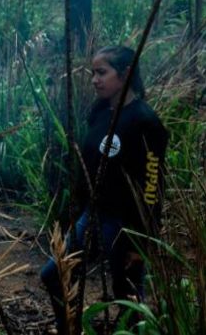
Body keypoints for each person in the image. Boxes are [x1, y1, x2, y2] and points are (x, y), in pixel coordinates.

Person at [39, 46, 168, 335]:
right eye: (93, 73)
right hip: (93, 214)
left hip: (125, 222)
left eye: (102, 72)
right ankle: (68, 328)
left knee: (128, 293)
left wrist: (141, 240)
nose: (95, 80)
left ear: (124, 76)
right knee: (53, 274)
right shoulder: (99, 111)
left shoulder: (144, 121)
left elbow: (152, 185)